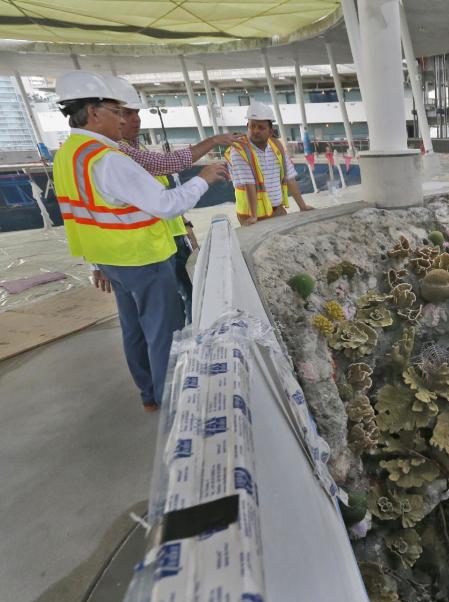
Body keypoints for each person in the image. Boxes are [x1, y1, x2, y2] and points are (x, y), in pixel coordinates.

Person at [52, 70, 229, 411]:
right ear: (93, 112)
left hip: (109, 259)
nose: (123, 121)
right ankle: (176, 405)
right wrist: (204, 178)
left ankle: (149, 394)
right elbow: (167, 204)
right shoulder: (109, 159)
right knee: (165, 332)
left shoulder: (69, 154)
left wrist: (96, 262)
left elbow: (83, 212)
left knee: (133, 329)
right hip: (141, 258)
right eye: (117, 112)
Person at [101, 75, 241, 323]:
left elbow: (164, 187)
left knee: (178, 301)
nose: (132, 120)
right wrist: (210, 151)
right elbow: (167, 167)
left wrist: (185, 227)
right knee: (165, 317)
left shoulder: (133, 149)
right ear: (99, 114)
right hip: (146, 250)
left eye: (136, 114)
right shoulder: (116, 154)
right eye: (123, 113)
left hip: (165, 236)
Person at [225, 101, 314, 226]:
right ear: (247, 126)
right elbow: (249, 184)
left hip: (277, 209)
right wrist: (254, 216)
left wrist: (302, 206)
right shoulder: (239, 150)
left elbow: (290, 178)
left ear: (271, 132)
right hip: (251, 215)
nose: (255, 131)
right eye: (252, 126)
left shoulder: (277, 146)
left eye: (261, 127)